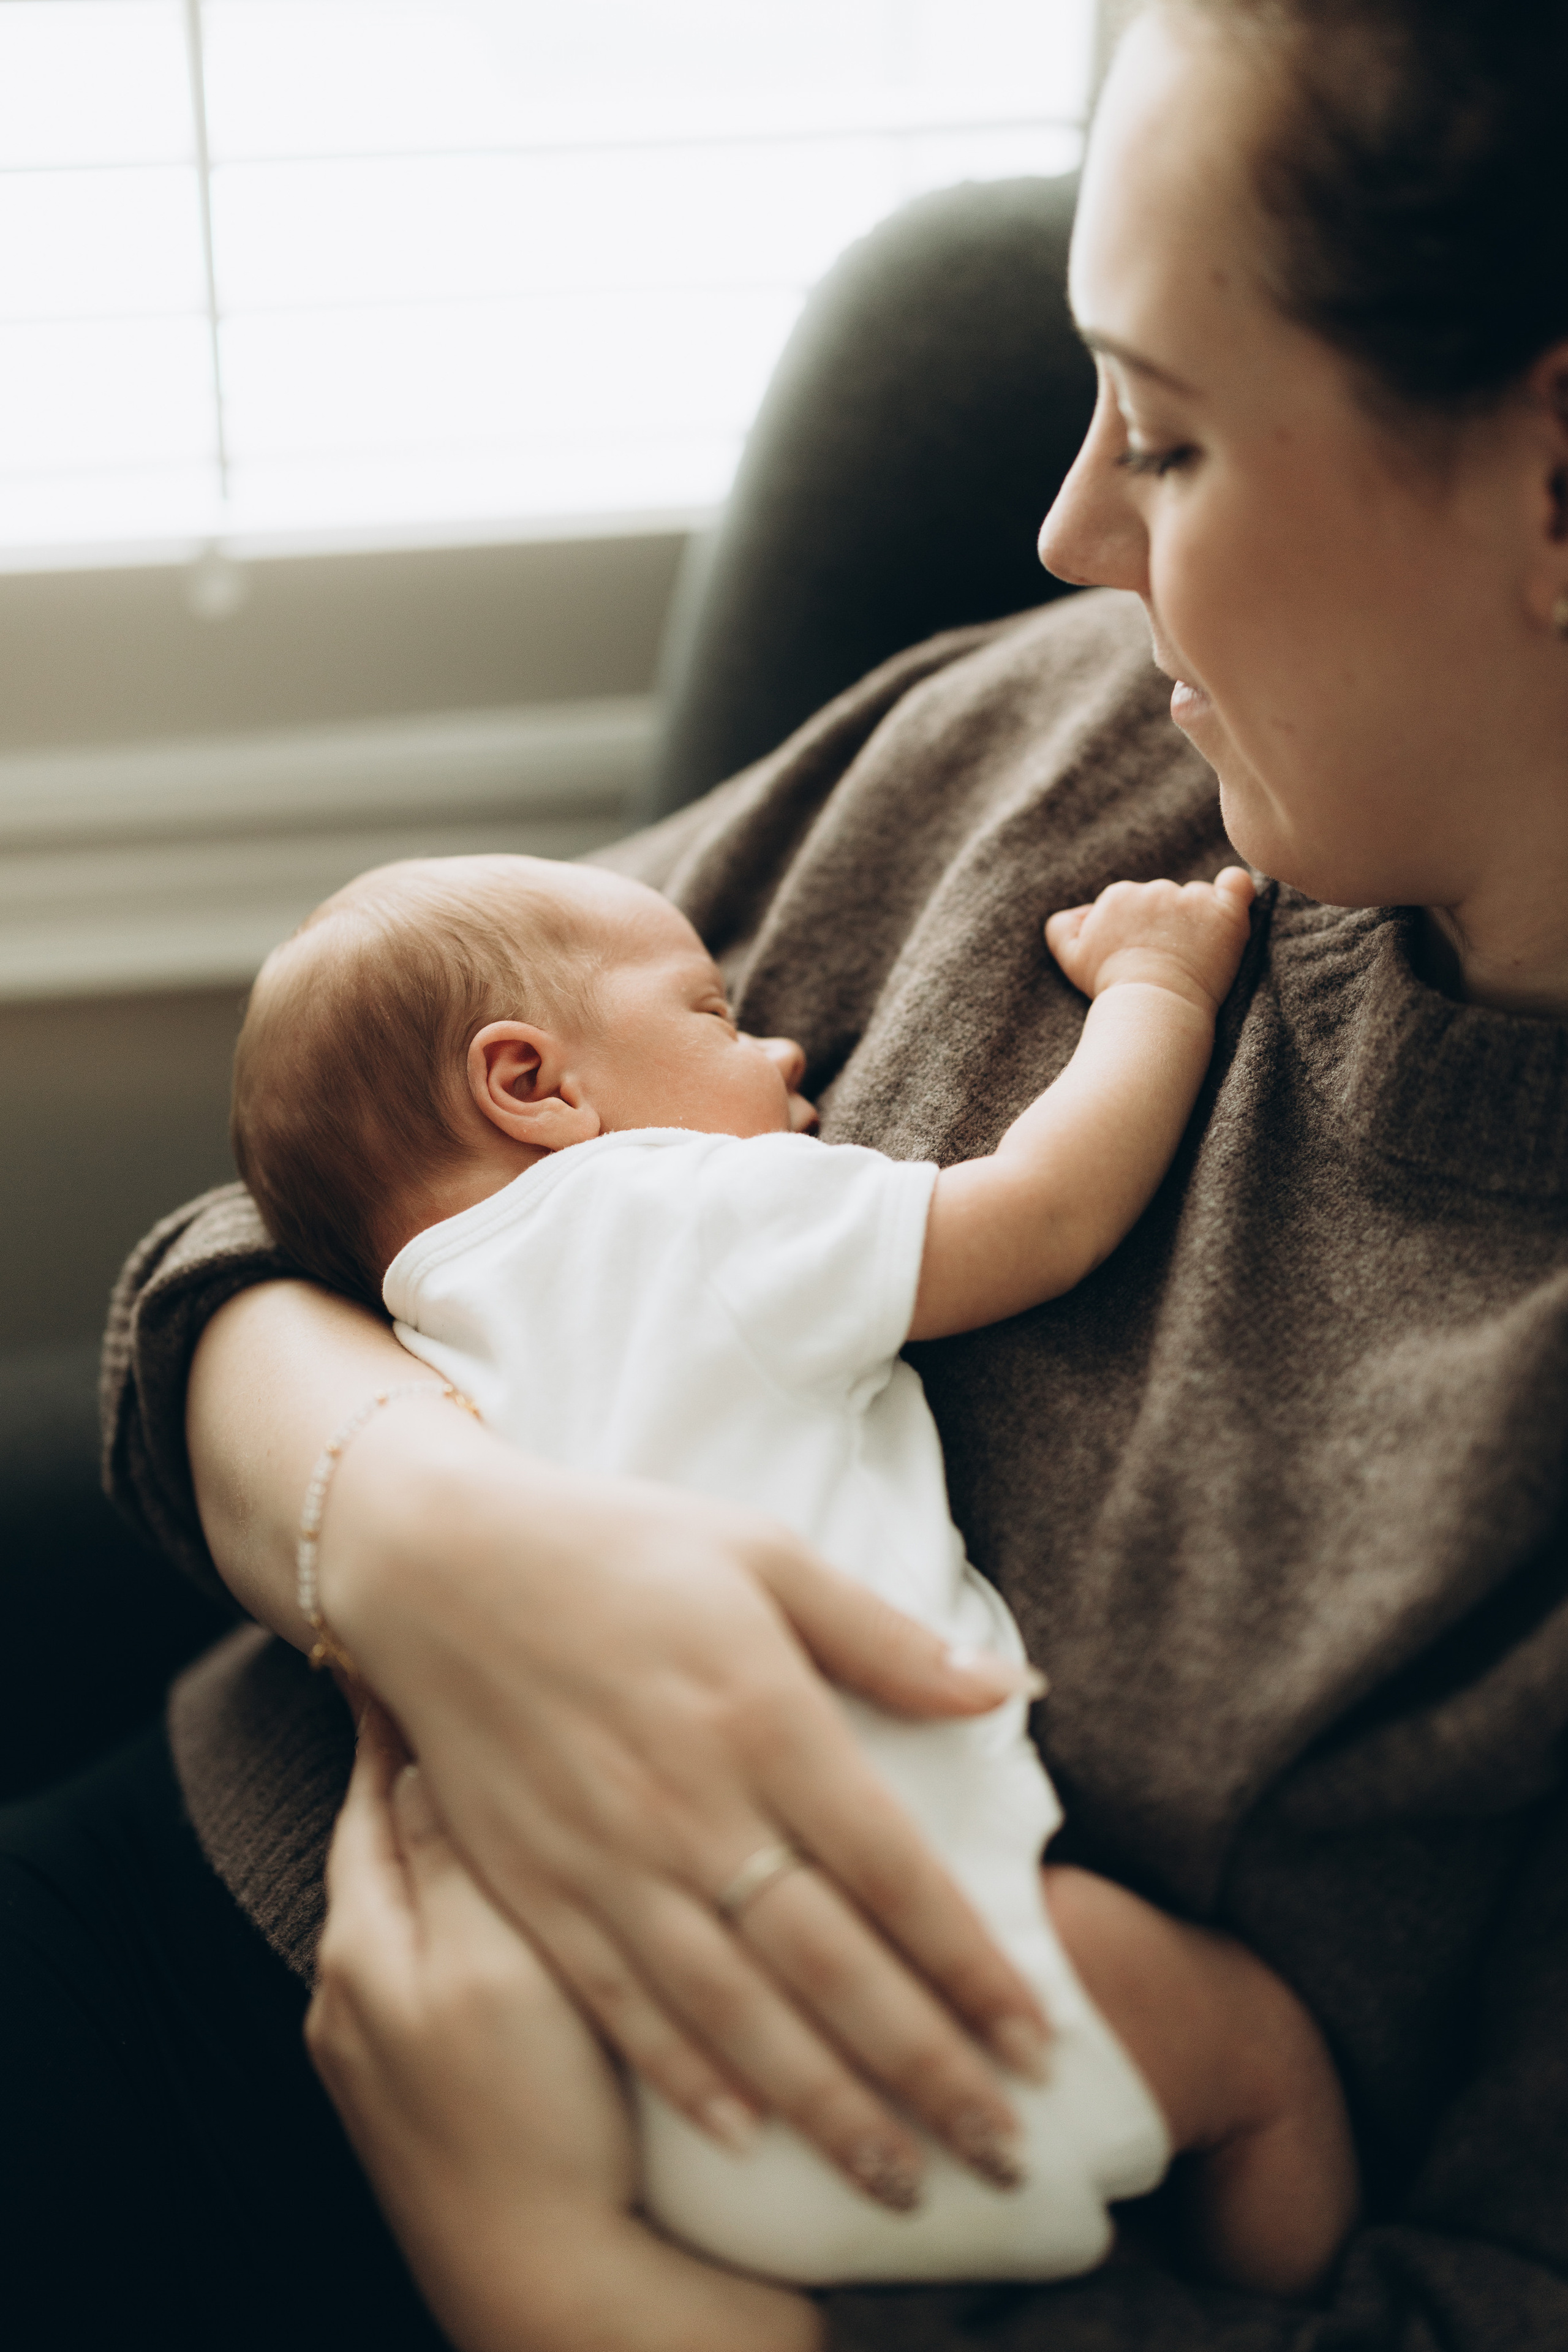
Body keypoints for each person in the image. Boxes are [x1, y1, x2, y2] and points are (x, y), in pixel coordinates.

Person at [7, 0, 1568, 2343]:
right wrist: (415, 1534)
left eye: (1164, 430)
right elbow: (290, 1202)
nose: (1065, 533)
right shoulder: (1069, 733)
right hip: (181, 1914)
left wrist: (561, 2286)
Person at [226, 842, 1355, 2292]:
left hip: (606, 2080)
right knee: (1260, 2061)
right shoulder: (674, 1210)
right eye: (711, 1017)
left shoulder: (416, 1333)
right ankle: (1296, 2300)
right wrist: (1155, 986)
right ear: (534, 1085)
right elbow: (1047, 1213)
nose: (780, 1048)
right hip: (924, 1975)